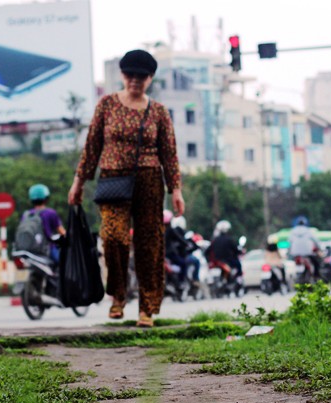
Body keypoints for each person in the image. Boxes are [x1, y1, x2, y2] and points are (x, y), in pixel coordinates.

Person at [68, 49, 183, 328]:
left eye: (141, 76)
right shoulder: (106, 104)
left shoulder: (157, 111)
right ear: (122, 75)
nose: (134, 80)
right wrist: (78, 182)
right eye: (130, 75)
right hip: (112, 181)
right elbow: (92, 146)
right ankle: (118, 295)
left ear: (150, 78)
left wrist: (176, 189)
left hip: (149, 182)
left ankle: (147, 308)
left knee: (149, 244)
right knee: (113, 237)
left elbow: (169, 152)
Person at [21, 184, 66, 263]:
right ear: (46, 198)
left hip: (30, 251)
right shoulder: (50, 213)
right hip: (47, 249)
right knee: (65, 263)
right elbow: (62, 232)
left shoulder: (26, 215)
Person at [166, 213, 200, 285]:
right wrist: (187, 244)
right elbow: (180, 239)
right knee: (186, 263)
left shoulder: (162, 230)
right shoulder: (173, 230)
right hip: (171, 254)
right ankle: (183, 281)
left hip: (165, 255)